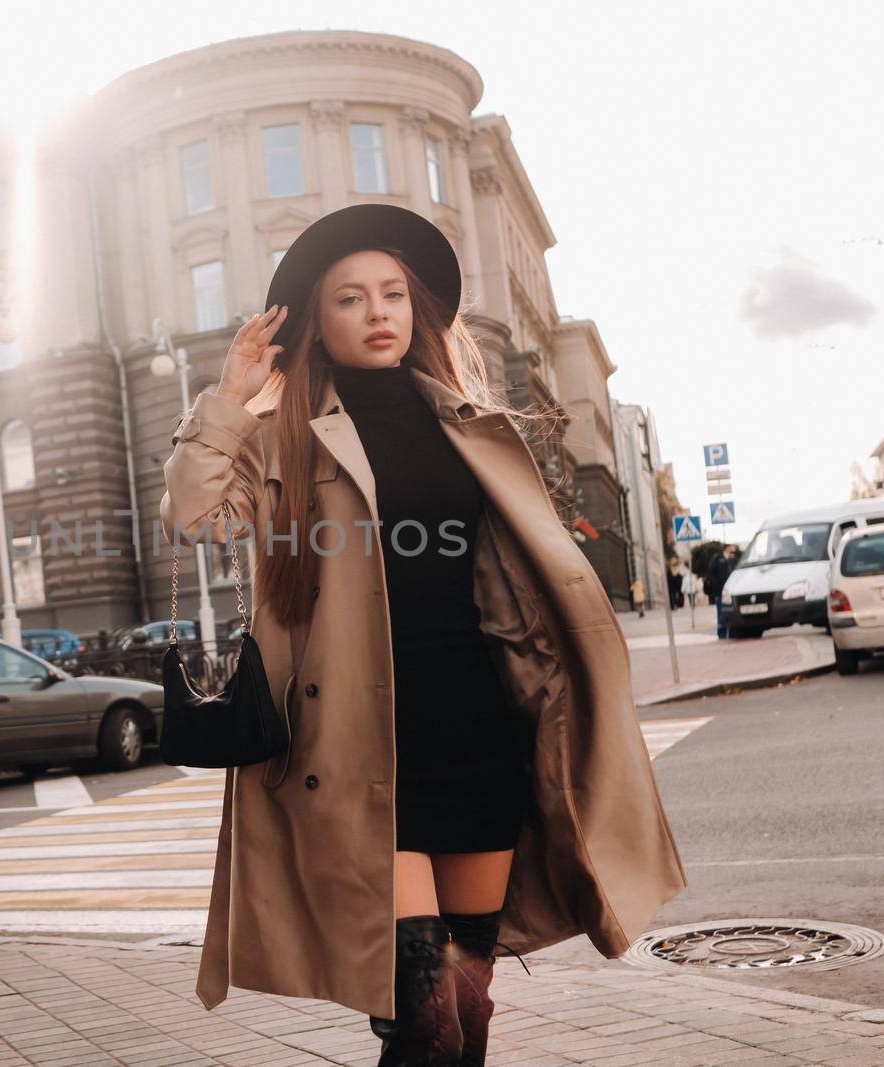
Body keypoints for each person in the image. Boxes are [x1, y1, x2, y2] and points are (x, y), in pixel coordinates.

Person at [160, 203, 685, 1066]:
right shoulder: (283, 435)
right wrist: (228, 394)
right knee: (424, 1010)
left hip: (476, 736)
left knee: (466, 1012)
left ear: (416, 309)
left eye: (394, 294)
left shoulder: (473, 425)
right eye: (352, 298)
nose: (378, 312)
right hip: (363, 755)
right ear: (319, 325)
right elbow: (193, 512)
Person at [707, 543, 739, 637]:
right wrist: (717, 585)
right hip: (720, 591)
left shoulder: (733, 558)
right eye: (731, 546)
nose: (733, 548)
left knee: (731, 611)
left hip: (732, 590)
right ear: (727, 548)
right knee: (721, 613)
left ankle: (733, 633)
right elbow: (711, 572)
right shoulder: (717, 558)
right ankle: (722, 633)